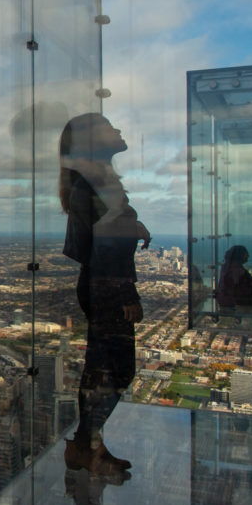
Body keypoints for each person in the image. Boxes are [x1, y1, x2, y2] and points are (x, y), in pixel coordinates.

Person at [59, 113, 150, 476]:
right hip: (106, 284)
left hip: (104, 283)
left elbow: (104, 232)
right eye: (109, 127)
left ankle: (88, 445)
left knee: (110, 369)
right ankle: (86, 446)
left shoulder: (97, 183)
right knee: (111, 370)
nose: (119, 130)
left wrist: (131, 223)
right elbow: (102, 244)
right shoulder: (90, 186)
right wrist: (125, 291)